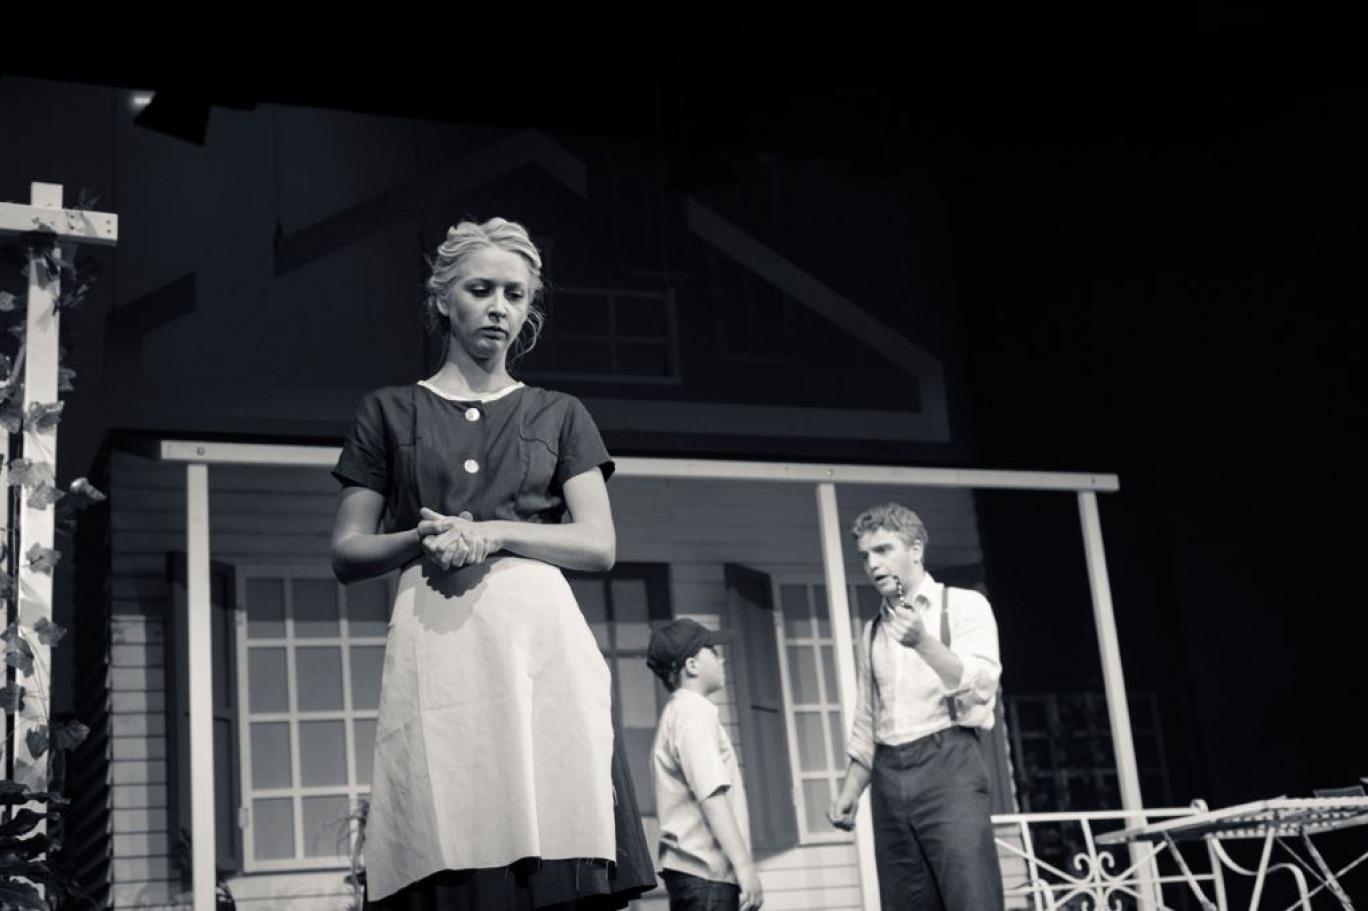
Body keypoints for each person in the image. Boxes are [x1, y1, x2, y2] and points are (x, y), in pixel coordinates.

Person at [330, 218, 656, 910]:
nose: (499, 307)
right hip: (439, 647)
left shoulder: (559, 413)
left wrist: (493, 533)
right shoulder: (388, 412)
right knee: (450, 840)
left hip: (540, 650)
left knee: (554, 831)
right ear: (443, 297)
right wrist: (425, 538)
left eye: (515, 294)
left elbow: (599, 544)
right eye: (481, 290)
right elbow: (348, 550)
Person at [826, 503, 1004, 910]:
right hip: (889, 776)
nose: (873, 564)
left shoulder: (963, 605)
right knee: (906, 902)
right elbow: (869, 719)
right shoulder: (872, 631)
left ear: (916, 550)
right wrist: (851, 790)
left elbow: (983, 684)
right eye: (865, 556)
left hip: (949, 765)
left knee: (971, 897)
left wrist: (924, 642)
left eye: (883, 550)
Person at [646, 619, 764, 911]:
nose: (721, 659)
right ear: (692, 665)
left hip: (696, 875)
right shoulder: (693, 714)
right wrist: (744, 866)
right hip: (707, 875)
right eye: (712, 650)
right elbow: (711, 795)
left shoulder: (679, 712)